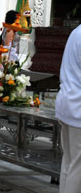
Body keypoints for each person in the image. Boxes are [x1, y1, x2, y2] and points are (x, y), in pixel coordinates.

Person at [55, 24, 81, 193]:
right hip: (78, 107)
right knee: (78, 166)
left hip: (67, 103)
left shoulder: (76, 31)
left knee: (69, 162)